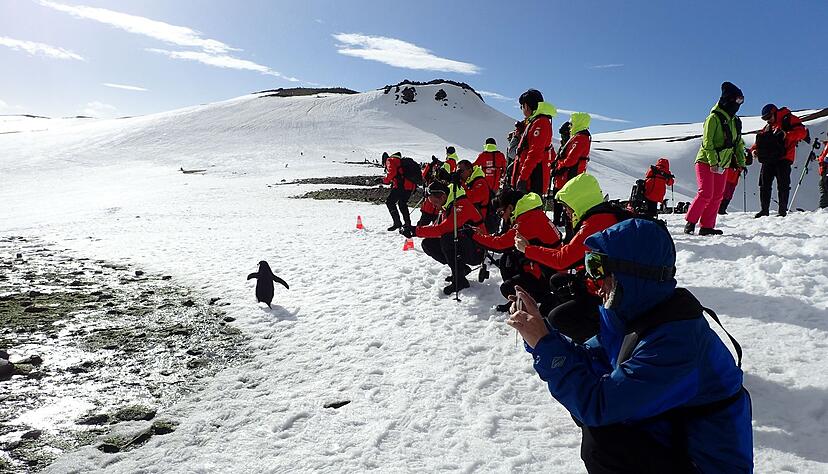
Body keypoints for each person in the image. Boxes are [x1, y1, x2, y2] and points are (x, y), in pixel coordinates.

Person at [507, 218, 753, 473]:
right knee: (596, 417)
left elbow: (598, 404)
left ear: (632, 275)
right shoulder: (635, 314)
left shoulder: (676, 342)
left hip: (704, 463)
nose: (594, 280)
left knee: (603, 442)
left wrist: (544, 344)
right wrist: (543, 336)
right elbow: (592, 359)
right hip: (672, 434)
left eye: (599, 268)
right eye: (591, 266)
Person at [515, 174, 631, 343]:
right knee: (558, 281)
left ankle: (597, 340)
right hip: (614, 285)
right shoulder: (606, 215)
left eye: (568, 208)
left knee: (558, 318)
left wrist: (527, 249)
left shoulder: (595, 223)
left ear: (579, 202)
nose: (567, 213)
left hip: (613, 296)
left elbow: (562, 260)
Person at [472, 191, 561, 311]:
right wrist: (483, 236)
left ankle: (541, 299)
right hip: (546, 266)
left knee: (507, 288)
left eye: (501, 213)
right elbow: (505, 239)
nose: (502, 217)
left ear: (510, 207)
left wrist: (474, 236)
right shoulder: (530, 213)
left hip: (549, 275)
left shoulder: (527, 220)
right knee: (507, 259)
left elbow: (500, 244)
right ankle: (519, 299)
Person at [684, 82, 746, 236]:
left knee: (718, 196)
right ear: (728, 99)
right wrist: (712, 161)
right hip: (706, 161)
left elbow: (738, 143)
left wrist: (741, 162)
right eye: (737, 100)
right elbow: (707, 142)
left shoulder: (735, 121)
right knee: (705, 193)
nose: (738, 105)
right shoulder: (713, 118)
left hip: (723, 164)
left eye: (741, 101)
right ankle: (690, 222)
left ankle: (707, 226)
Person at [415, 181, 484, 295]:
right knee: (428, 244)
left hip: (478, 250)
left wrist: (415, 231)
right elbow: (437, 229)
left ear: (443, 197)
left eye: (435, 203)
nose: (434, 206)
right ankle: (460, 270)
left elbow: (443, 229)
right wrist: (418, 230)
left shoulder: (461, 205)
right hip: (466, 244)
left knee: (447, 238)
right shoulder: (448, 204)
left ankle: (460, 281)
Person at [751, 104, 808, 217]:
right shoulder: (768, 126)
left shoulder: (789, 119)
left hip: (784, 157)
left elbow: (803, 133)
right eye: (765, 118)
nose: (767, 120)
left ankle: (782, 211)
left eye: (768, 117)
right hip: (769, 158)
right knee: (764, 184)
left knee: (783, 185)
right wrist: (754, 150)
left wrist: (787, 135)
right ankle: (764, 210)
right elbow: (760, 141)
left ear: (774, 112)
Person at [511, 89, 556, 195]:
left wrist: (523, 178)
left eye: (522, 107)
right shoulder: (535, 122)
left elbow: (535, 154)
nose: (522, 110)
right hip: (529, 179)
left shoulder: (540, 122)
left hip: (532, 181)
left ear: (526, 106)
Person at [553, 113, 592, 227]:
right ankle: (562, 224)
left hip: (569, 175)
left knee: (567, 203)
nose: (570, 126)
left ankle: (568, 229)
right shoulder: (578, 137)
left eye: (571, 123)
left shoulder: (580, 138)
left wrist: (558, 168)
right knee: (562, 201)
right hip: (567, 175)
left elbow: (571, 159)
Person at [381, 151, 416, 232]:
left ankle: (397, 222)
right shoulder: (400, 161)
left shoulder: (390, 160)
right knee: (402, 204)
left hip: (401, 186)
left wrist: (383, 180)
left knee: (390, 202)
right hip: (410, 187)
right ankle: (407, 224)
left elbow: (392, 173)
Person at [457, 160, 494, 231]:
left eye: (461, 171)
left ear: (470, 171)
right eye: (457, 171)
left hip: (480, 224)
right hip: (472, 221)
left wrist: (462, 184)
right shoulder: (470, 181)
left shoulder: (480, 182)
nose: (459, 174)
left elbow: (472, 199)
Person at [417, 155, 444, 227]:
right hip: (429, 209)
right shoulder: (430, 179)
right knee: (421, 226)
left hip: (436, 209)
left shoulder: (443, 181)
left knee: (437, 228)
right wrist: (430, 165)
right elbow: (424, 175)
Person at [819, 143, 828, 209]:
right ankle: (824, 208)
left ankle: (824, 208)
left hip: (826, 168)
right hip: (824, 169)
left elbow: (825, 158)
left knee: (824, 186)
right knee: (824, 186)